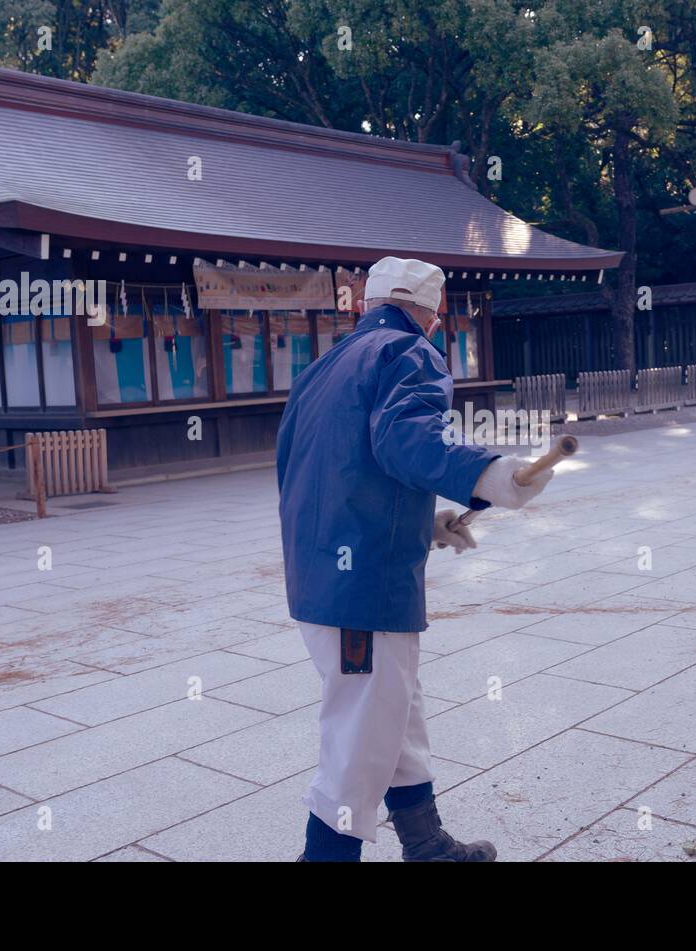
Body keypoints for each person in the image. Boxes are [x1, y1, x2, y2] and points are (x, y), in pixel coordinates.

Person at [275, 256, 553, 862]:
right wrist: (490, 474)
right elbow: (406, 438)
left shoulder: (321, 369)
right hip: (364, 592)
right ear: (431, 313)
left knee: (396, 716)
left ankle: (427, 846)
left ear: (366, 304)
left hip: (322, 576)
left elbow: (326, 475)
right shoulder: (408, 354)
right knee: (360, 740)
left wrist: (419, 526)